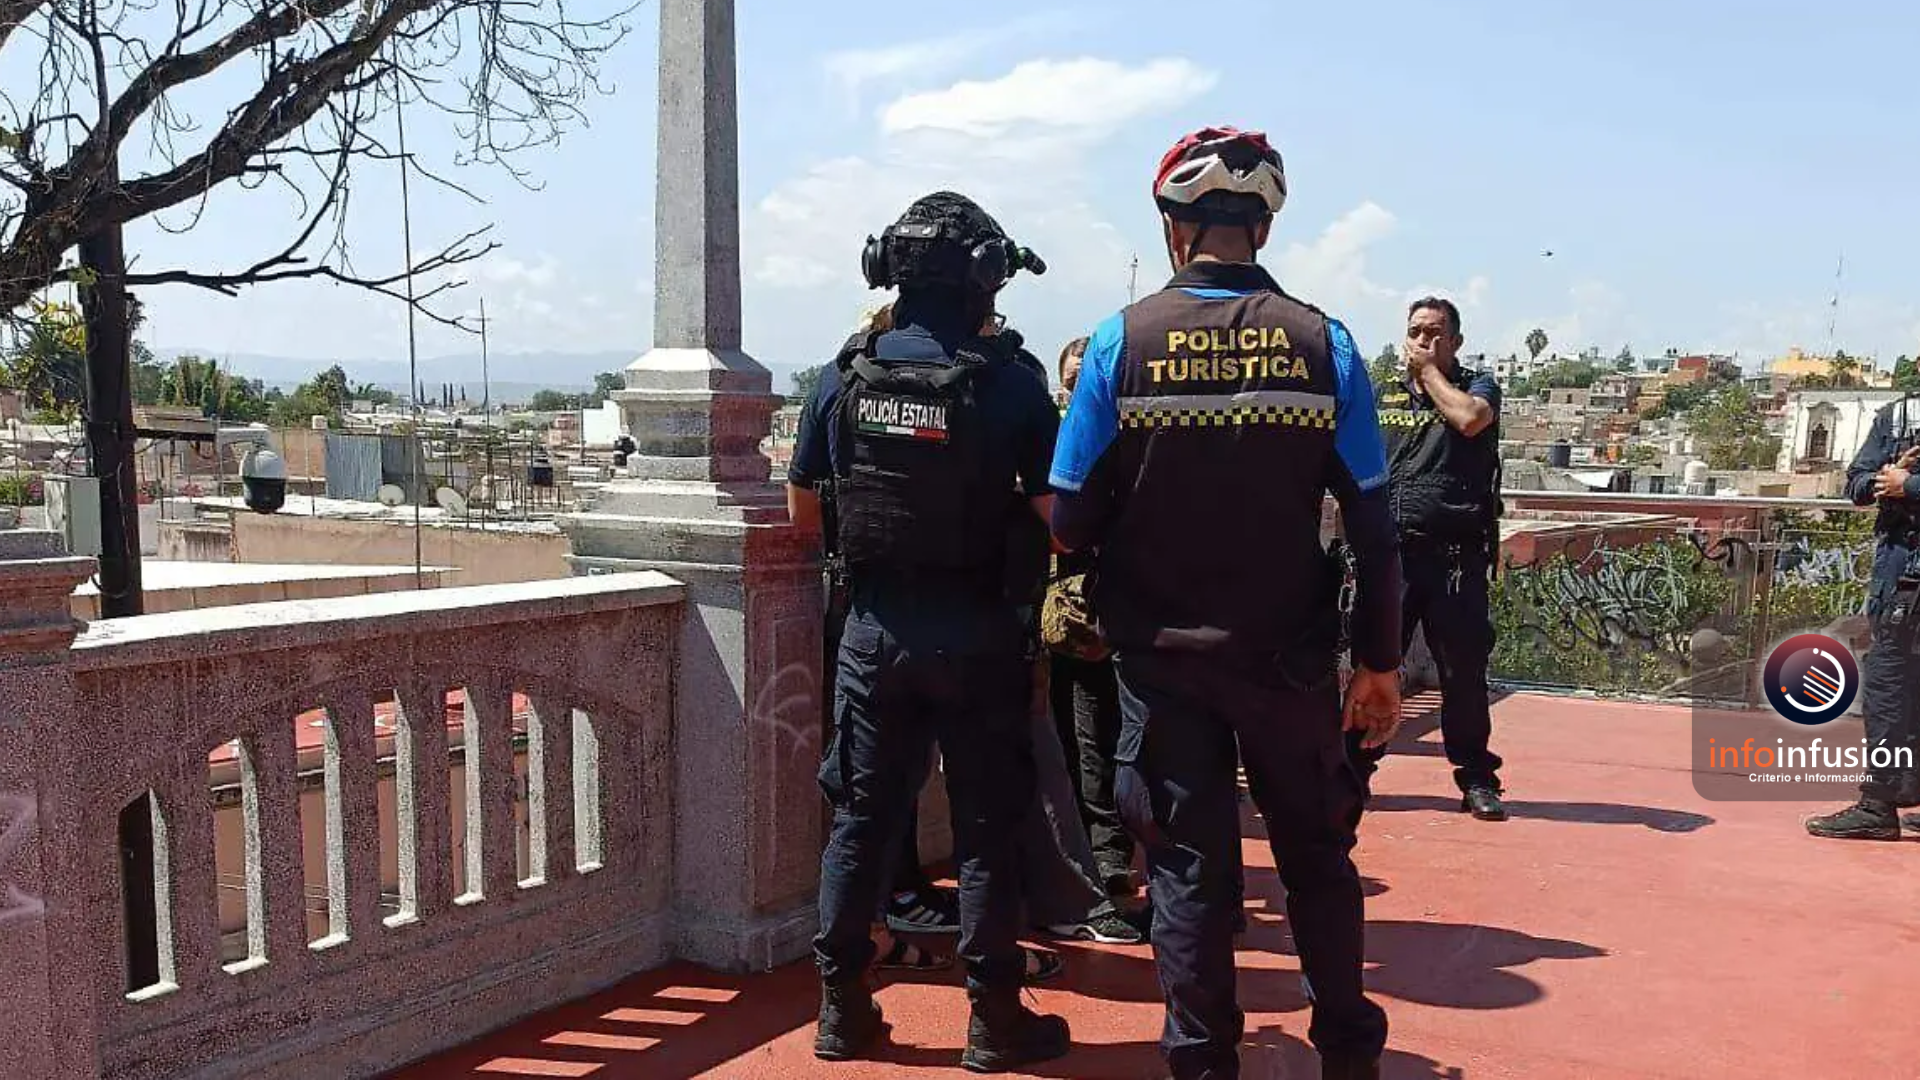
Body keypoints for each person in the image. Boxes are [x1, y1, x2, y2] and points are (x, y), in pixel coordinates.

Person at [1050, 126, 1401, 1080]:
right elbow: (1376, 525)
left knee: (1187, 875)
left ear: (1173, 228)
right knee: (1317, 861)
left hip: (1162, 664)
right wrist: (1378, 664)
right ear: (1265, 228)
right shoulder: (1326, 343)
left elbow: (1070, 521)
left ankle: (1203, 1063)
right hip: (1289, 660)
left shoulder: (1121, 341)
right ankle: (1350, 1058)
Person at [790, 191, 1070, 1071]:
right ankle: (993, 1021)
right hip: (981, 634)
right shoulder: (1013, 384)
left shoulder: (843, 376)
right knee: (986, 828)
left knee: (860, 821)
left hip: (874, 635)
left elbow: (805, 514)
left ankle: (841, 1011)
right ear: (986, 276)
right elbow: (1060, 521)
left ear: (888, 270)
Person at [1351, 298, 1509, 821]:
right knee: (1374, 665)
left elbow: (1469, 420)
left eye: (1435, 333)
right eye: (1416, 331)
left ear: (1456, 342)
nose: (1423, 341)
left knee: (1462, 673)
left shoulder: (1478, 387)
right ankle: (1353, 770)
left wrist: (1430, 375)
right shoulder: (1383, 395)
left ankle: (1477, 778)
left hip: (1456, 558)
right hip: (1392, 556)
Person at [1807, 394, 1920, 839]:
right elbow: (1856, 484)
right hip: (1901, 577)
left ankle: (1878, 805)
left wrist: (1909, 486)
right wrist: (1883, 478)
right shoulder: (1897, 417)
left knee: (1888, 686)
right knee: (1892, 686)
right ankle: (1892, 793)